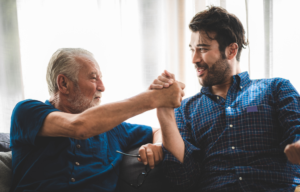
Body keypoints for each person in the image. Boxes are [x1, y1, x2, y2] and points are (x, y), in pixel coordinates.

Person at [150, 6, 300, 191]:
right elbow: (183, 180)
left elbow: (296, 130)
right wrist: (164, 113)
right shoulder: (184, 110)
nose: (194, 59)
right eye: (192, 50)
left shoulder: (276, 89)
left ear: (231, 50)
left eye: (202, 49)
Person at [9, 48, 185, 192]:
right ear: (63, 84)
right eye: (94, 78)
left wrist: (156, 145)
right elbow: (79, 126)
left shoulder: (114, 129)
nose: (102, 86)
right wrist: (152, 98)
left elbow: (156, 130)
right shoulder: (27, 112)